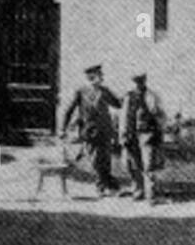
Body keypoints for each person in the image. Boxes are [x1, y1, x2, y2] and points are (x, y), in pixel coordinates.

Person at [61, 64, 122, 196]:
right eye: (100, 75)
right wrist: (63, 128)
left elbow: (118, 104)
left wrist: (125, 96)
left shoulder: (105, 91)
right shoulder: (81, 91)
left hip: (105, 130)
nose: (102, 78)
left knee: (105, 159)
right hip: (89, 131)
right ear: (91, 77)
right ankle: (107, 184)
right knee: (95, 160)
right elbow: (69, 110)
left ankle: (103, 186)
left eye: (102, 75)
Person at [121, 72, 164, 204]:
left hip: (148, 134)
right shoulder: (129, 96)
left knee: (149, 164)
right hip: (132, 135)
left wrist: (158, 128)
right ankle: (138, 190)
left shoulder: (152, 96)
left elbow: (160, 116)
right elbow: (124, 117)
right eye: (136, 81)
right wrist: (123, 135)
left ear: (145, 81)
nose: (138, 83)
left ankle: (150, 194)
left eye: (141, 81)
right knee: (133, 164)